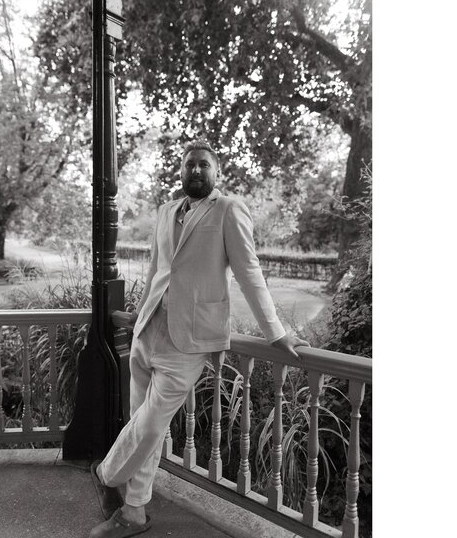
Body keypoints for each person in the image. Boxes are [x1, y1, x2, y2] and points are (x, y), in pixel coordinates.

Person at [88, 140, 308, 537]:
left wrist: (276, 332)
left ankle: (106, 473)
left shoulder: (228, 210)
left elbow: (249, 272)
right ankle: (133, 512)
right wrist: (139, 314)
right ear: (181, 171)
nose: (196, 170)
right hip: (147, 331)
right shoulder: (166, 211)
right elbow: (158, 269)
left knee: (151, 425)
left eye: (204, 165)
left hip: (189, 341)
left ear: (216, 172)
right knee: (141, 423)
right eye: (189, 164)